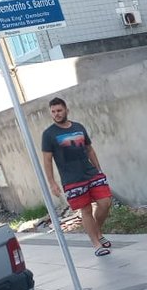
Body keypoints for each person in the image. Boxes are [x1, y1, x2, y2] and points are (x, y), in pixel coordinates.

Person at [41, 97, 113, 257]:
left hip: (91, 173)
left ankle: (98, 231)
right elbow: (47, 160)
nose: (56, 114)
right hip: (72, 179)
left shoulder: (79, 127)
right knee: (86, 210)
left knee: (105, 202)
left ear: (66, 110)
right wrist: (52, 182)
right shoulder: (49, 134)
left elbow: (90, 150)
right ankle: (96, 244)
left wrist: (99, 170)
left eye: (59, 110)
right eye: (53, 112)